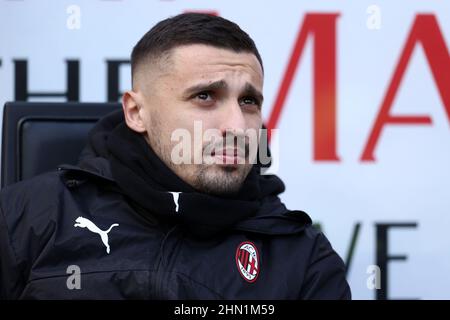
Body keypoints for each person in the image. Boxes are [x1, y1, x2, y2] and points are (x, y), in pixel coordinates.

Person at [0, 13, 351, 299]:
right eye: (205, 96)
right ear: (137, 112)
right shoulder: (25, 218)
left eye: (249, 101)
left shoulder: (303, 258)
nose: (237, 125)